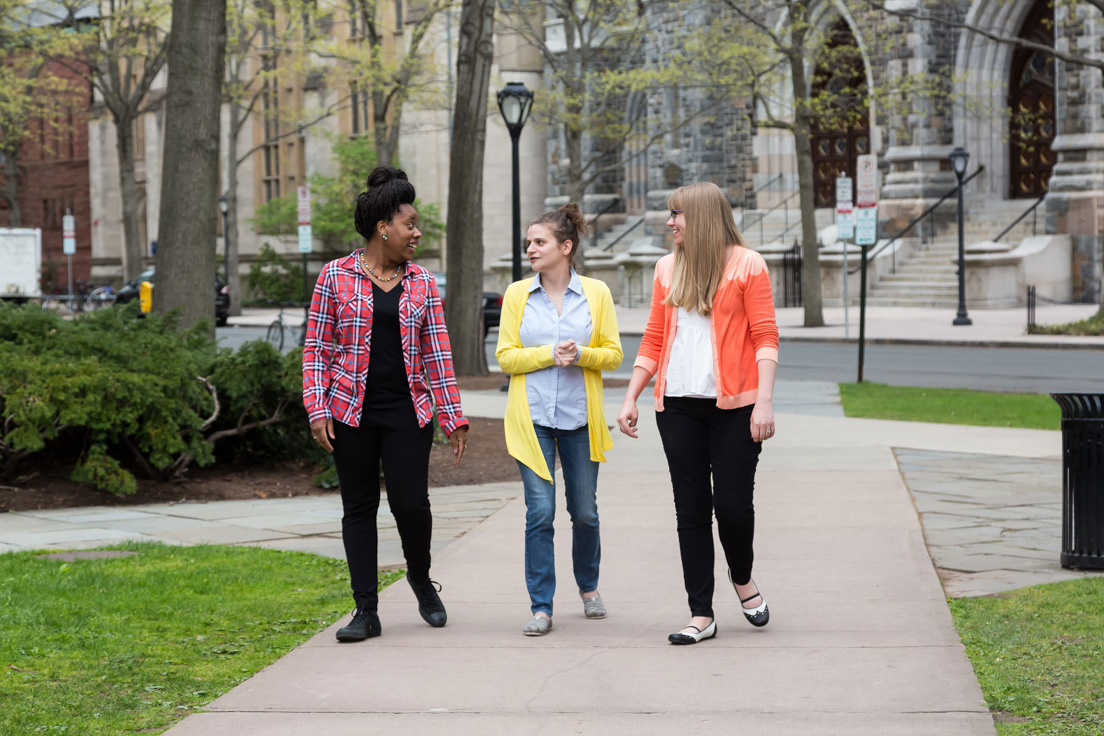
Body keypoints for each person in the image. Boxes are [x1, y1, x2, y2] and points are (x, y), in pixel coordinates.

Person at [302, 166, 469, 642]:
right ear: (383, 227)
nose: (416, 233)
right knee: (358, 507)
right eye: (409, 224)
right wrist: (317, 408)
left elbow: (438, 351)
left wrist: (451, 415)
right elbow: (316, 349)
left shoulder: (421, 282)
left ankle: (419, 575)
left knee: (411, 504)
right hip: (349, 411)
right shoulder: (335, 276)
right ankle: (366, 610)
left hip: (407, 411)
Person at [616, 182, 779, 645]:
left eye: (676, 215)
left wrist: (763, 400)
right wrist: (631, 396)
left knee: (732, 507)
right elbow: (652, 337)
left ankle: (742, 578)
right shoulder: (667, 268)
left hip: (736, 407)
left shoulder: (748, 265)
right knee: (691, 510)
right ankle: (700, 613)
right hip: (678, 408)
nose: (669, 223)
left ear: (702, 217)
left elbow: (765, 335)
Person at [496, 203, 623, 636]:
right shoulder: (516, 295)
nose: (530, 248)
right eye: (529, 242)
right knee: (540, 513)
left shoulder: (597, 293)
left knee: (584, 512)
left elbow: (613, 353)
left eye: (539, 241)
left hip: (580, 420)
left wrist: (581, 355)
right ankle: (541, 606)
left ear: (565, 247)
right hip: (531, 419)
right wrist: (548, 355)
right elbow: (505, 358)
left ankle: (589, 588)